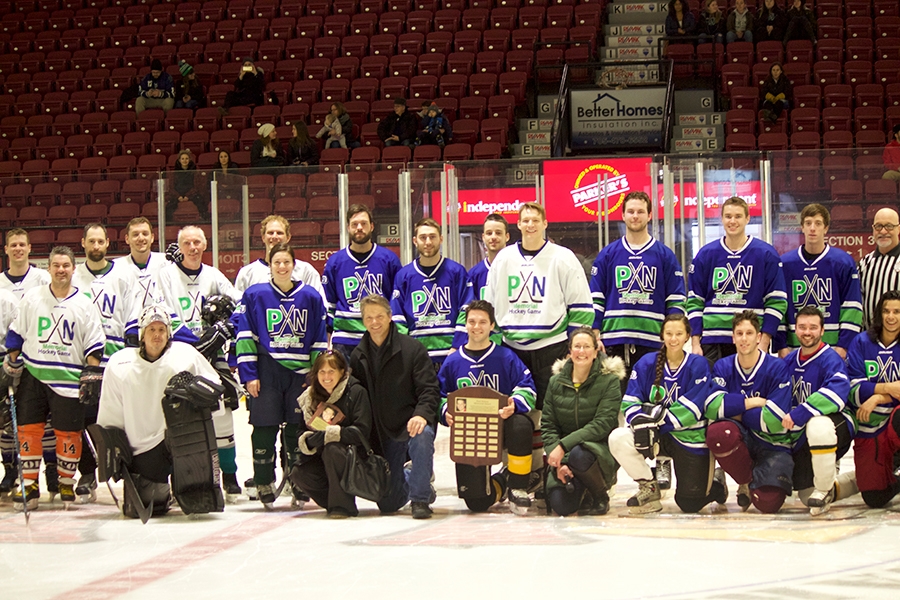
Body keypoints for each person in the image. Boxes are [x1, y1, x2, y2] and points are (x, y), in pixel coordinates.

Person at [96, 305, 225, 518]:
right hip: (142, 447)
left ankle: (194, 486)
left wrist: (200, 393)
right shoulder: (120, 363)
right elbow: (111, 411)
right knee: (147, 507)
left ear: (169, 334)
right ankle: (162, 489)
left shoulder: (185, 355)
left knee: (199, 502)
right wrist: (114, 449)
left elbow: (215, 388)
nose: (157, 335)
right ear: (142, 335)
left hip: (183, 442)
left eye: (162, 330)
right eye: (151, 330)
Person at [4, 246, 105, 511]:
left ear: (74, 268)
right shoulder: (32, 297)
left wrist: (90, 374)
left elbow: (94, 345)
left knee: (68, 433)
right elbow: (16, 334)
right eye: (56, 265)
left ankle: (65, 481)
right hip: (34, 375)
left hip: (69, 379)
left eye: (66, 266)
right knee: (29, 430)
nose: (61, 270)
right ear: (48, 268)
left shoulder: (84, 303)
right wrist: (13, 363)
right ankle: (29, 484)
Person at [236, 243, 328, 508]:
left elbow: (319, 340)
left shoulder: (310, 296)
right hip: (266, 371)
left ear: (293, 265)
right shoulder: (255, 294)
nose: (282, 267)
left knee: (296, 430)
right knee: (264, 427)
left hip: (299, 375)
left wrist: (314, 376)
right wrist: (249, 374)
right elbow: (244, 337)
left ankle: (297, 481)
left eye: (286, 262)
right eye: (276, 262)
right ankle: (263, 481)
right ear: (270, 265)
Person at [609, 314, 728, 514]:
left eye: (679, 334)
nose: (673, 339)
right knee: (618, 437)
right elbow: (630, 401)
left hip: (690, 437)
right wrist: (642, 423)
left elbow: (693, 408)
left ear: (687, 337)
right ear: (662, 335)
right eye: (669, 334)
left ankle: (715, 483)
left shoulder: (698, 364)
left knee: (689, 504)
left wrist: (653, 420)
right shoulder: (646, 363)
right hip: (656, 434)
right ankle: (649, 487)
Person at [157, 226, 243, 497]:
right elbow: (162, 311)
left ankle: (229, 475)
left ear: (205, 246)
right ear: (179, 246)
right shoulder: (166, 275)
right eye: (187, 242)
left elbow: (240, 305)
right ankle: (180, 475)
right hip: (179, 353)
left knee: (223, 412)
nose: (193, 247)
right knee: (175, 413)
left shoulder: (214, 275)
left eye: (197, 242)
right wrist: (193, 340)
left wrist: (224, 329)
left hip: (213, 354)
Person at [486, 202, 594, 409]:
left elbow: (580, 304)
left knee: (555, 409)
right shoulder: (504, 258)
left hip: (552, 348)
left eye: (535, 220)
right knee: (514, 409)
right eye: (525, 220)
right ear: (518, 224)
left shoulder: (563, 257)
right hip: (512, 348)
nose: (530, 225)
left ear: (545, 223)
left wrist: (573, 345)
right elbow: (490, 304)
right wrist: (495, 343)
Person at [437, 301, 537, 513]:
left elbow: (527, 387)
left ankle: (518, 486)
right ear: (465, 325)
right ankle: (506, 478)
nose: (476, 326)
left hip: (502, 429)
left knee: (521, 424)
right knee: (477, 503)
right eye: (472, 321)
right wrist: (446, 412)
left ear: (492, 326)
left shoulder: (506, 357)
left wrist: (514, 403)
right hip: (471, 435)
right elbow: (438, 394)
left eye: (483, 322)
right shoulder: (453, 362)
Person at [349, 295, 440, 519]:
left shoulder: (413, 349)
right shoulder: (358, 356)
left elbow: (429, 390)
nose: (374, 322)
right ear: (363, 321)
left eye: (379, 316)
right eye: (369, 317)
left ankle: (420, 499)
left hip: (410, 424)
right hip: (383, 432)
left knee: (422, 435)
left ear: (390, 317)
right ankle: (414, 475)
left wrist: (421, 415)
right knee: (389, 504)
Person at [71, 223, 141, 503]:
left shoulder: (124, 275)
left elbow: (133, 314)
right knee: (83, 420)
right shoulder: (74, 276)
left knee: (121, 419)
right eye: (91, 242)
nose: (96, 246)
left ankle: (128, 470)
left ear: (108, 243)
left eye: (100, 241)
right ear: (83, 243)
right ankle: (88, 473)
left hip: (115, 359)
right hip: (82, 360)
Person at [705, 311, 794, 513]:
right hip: (742, 438)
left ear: (759, 337)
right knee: (719, 433)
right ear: (733, 337)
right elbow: (711, 407)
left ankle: (762, 478)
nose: (744, 338)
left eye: (749, 333)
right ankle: (744, 481)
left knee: (768, 503)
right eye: (739, 333)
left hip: (771, 443)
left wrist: (733, 411)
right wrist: (753, 402)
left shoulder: (777, 367)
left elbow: (775, 419)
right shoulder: (723, 366)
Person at [590, 191, 686, 377]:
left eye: (640, 211)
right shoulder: (608, 254)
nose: (635, 216)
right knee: (614, 401)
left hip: (653, 341)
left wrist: (672, 336)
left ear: (649, 215)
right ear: (623, 215)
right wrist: (595, 333)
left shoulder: (665, 256)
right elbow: (596, 297)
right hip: (613, 341)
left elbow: (675, 299)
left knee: (649, 399)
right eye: (631, 211)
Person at [687, 196, 787, 362]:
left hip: (751, 338)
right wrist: (695, 342)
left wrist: (764, 341)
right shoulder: (706, 254)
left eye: (738, 216)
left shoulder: (766, 254)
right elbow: (695, 301)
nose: (732, 221)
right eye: (728, 216)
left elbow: (777, 302)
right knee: (715, 387)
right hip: (713, 339)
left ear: (747, 218)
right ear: (722, 219)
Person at [782, 307, 859, 515]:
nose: (807, 332)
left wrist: (801, 412)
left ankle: (824, 489)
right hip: (801, 433)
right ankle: (857, 482)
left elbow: (838, 391)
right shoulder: (788, 361)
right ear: (795, 330)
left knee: (818, 425)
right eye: (802, 327)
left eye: (813, 328)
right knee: (806, 497)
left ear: (822, 330)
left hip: (838, 424)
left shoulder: (831, 359)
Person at [541, 327, 624, 516]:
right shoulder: (556, 382)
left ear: (596, 352)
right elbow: (548, 424)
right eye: (576, 346)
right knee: (562, 507)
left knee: (580, 454)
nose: (581, 351)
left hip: (596, 452)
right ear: (569, 352)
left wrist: (563, 447)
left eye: (587, 346)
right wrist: (559, 462)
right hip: (564, 456)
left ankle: (600, 494)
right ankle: (581, 487)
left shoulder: (609, 381)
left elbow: (602, 424)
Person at [0, 229, 53, 498]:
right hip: (8, 360)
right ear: (6, 250)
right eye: (13, 245)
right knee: (7, 419)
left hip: (40, 356)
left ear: (30, 248)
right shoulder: (0, 284)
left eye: (22, 244)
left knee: (43, 417)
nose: (18, 249)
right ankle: (10, 469)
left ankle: (51, 468)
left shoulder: (43, 278)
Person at [291, 351, 373, 518]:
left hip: (354, 460)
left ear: (342, 372)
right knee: (299, 474)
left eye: (331, 371)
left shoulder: (356, 392)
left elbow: (362, 431)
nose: (326, 376)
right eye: (322, 371)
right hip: (321, 459)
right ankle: (335, 501)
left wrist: (330, 435)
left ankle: (342, 507)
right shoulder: (309, 397)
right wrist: (311, 440)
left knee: (333, 449)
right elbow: (301, 431)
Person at [777, 204, 862, 359]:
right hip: (795, 350)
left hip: (833, 350)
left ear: (826, 228)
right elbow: (780, 307)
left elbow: (852, 309)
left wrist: (843, 347)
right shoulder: (785, 264)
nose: (812, 228)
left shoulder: (843, 262)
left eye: (818, 223)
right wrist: (781, 346)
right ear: (802, 227)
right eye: (808, 223)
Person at [391, 217, 472, 368]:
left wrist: (457, 346)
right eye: (423, 237)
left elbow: (466, 310)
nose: (428, 242)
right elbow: (397, 317)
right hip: (417, 357)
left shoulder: (456, 272)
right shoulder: (404, 276)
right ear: (415, 241)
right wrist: (408, 351)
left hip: (451, 354)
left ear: (441, 239)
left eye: (432, 237)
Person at [322, 204, 401, 357]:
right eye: (354, 224)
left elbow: (396, 302)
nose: (359, 228)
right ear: (348, 228)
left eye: (363, 223)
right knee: (346, 382)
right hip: (345, 340)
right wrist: (328, 336)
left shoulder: (389, 260)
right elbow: (329, 304)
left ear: (371, 226)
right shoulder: (335, 262)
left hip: (379, 337)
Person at [847, 291, 900, 508]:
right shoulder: (861, 342)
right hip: (870, 425)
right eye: (886, 311)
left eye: (897, 312)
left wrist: (877, 396)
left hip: (895, 420)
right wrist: (888, 389)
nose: (891, 317)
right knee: (874, 497)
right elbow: (853, 389)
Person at [234, 215, 324, 299]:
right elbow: (239, 308)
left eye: (279, 233)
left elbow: (319, 304)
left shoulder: (305, 270)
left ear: (288, 237)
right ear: (263, 237)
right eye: (270, 233)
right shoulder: (247, 273)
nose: (274, 236)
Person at [113, 217, 167, 310]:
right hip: (129, 323)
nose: (141, 238)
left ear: (152, 238)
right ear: (127, 239)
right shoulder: (116, 267)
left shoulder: (167, 262)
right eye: (135, 234)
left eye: (145, 234)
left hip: (161, 322)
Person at [858, 208, 900, 329]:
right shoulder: (864, 264)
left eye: (889, 226)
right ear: (873, 229)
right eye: (878, 226)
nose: (883, 231)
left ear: (898, 229)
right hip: (870, 340)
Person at [468, 213, 510, 301]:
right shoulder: (474, 274)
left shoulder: (517, 268)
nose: (493, 237)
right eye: (489, 233)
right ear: (483, 237)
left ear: (507, 237)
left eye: (498, 233)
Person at [167, 149, 209, 221]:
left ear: (189, 159)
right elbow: (171, 187)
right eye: (182, 159)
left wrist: (188, 196)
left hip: (192, 194)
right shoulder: (174, 173)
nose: (184, 160)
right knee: (169, 207)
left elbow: (196, 186)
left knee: (201, 202)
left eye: (186, 158)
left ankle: (204, 221)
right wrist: (178, 196)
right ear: (179, 160)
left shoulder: (195, 172)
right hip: (177, 195)